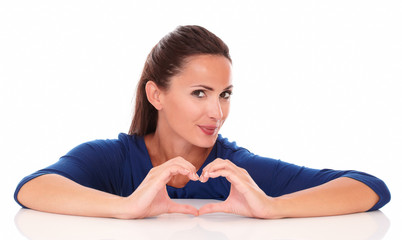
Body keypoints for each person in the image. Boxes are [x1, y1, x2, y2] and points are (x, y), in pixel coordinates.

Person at [15, 25, 390, 219]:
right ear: (156, 95)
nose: (217, 112)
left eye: (224, 94)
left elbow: (369, 187)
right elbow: (32, 189)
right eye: (199, 93)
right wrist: (128, 206)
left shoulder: (232, 171)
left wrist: (272, 207)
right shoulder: (112, 159)